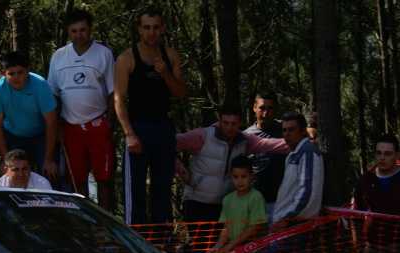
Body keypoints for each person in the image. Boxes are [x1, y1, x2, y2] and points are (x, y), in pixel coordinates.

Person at [114, 5, 186, 224]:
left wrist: (165, 73)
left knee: (162, 187)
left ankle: (163, 242)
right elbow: (118, 99)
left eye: (155, 27)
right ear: (139, 29)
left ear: (162, 28)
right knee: (135, 190)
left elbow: (181, 93)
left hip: (163, 126)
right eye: (146, 27)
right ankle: (136, 241)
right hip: (137, 127)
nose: (151, 32)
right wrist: (129, 134)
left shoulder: (170, 55)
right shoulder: (127, 58)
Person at [48, 8, 115, 208]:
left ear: (90, 29)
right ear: (68, 32)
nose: (79, 35)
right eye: (74, 31)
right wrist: (57, 125)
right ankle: (85, 225)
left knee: (104, 178)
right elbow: (53, 94)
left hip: (98, 123)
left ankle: (107, 223)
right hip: (70, 127)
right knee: (76, 180)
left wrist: (110, 124)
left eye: (83, 30)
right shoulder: (59, 56)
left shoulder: (103, 53)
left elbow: (113, 92)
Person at [176, 104, 288, 222]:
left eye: (234, 124)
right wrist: (183, 172)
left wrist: (300, 140)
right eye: (225, 123)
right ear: (219, 121)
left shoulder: (244, 140)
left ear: (240, 123)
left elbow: (271, 144)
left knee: (221, 240)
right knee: (201, 240)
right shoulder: (202, 136)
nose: (229, 127)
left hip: (225, 204)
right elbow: (167, 144)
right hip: (197, 202)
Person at [0, 51, 58, 180]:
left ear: (27, 71)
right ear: (3, 73)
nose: (16, 77)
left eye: (20, 72)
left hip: (40, 135)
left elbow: (51, 122)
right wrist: (5, 159)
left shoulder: (40, 85)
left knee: (49, 172)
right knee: (11, 174)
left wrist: (48, 159)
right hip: (13, 136)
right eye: (11, 74)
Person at [213, 156, 266, 253]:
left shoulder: (256, 197)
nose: (240, 181)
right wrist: (218, 246)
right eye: (235, 177)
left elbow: (255, 227)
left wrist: (231, 245)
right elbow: (226, 228)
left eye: (244, 176)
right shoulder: (227, 200)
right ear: (231, 177)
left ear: (251, 176)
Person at [271, 112, 325, 229]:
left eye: (291, 130)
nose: (287, 134)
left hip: (295, 225)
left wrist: (287, 218)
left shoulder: (307, 152)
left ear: (302, 131)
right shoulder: (295, 153)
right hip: (287, 223)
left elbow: (306, 191)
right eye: (284, 130)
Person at [243, 92, 285, 216]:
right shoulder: (246, 136)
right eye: (262, 108)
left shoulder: (285, 130)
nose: (266, 113)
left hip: (283, 201)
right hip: (256, 202)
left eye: (270, 108)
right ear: (254, 108)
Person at [354, 133, 400, 216]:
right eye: (379, 153)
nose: (382, 158)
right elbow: (357, 211)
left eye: (387, 154)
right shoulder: (365, 180)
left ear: (397, 155)